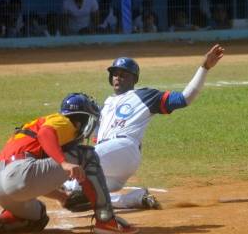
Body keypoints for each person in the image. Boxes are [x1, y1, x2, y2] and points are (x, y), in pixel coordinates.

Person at [62, 44, 225, 211]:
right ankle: (135, 198)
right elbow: (96, 139)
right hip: (110, 162)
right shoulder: (105, 106)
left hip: (125, 148)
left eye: (123, 74)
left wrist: (204, 67)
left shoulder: (145, 96)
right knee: (75, 194)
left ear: (134, 79)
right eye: (115, 74)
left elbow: (185, 98)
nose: (118, 77)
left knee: (75, 162)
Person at [0, 93, 139, 234]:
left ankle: (0, 220)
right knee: (87, 155)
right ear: (81, 119)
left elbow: (30, 177)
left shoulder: (41, 130)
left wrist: (61, 196)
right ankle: (106, 220)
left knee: (38, 217)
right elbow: (45, 134)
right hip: (18, 174)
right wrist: (64, 163)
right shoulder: (64, 122)